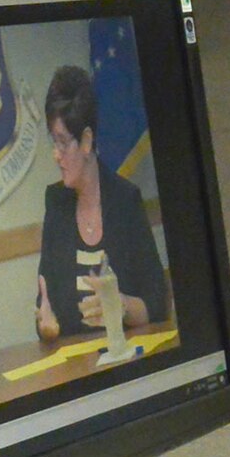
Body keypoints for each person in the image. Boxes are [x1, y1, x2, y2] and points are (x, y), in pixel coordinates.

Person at [34, 64, 170, 343]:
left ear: (86, 140)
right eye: (53, 142)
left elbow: (158, 303)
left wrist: (121, 306)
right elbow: (45, 304)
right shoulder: (56, 204)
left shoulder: (125, 200)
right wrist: (46, 327)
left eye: (62, 143)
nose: (55, 155)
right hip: (75, 370)